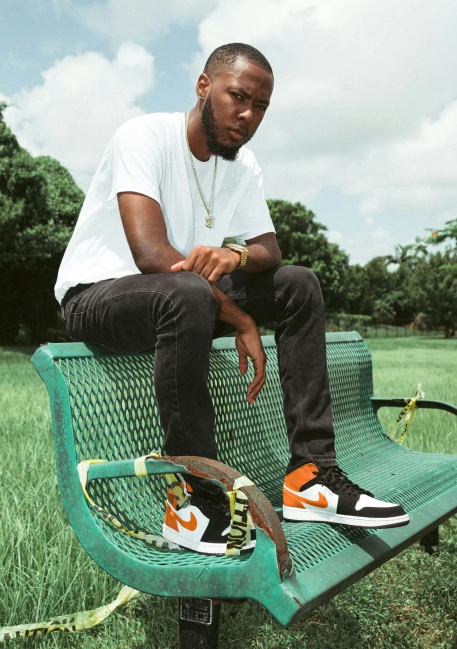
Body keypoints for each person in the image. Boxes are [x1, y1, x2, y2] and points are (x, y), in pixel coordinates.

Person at [55, 42, 409, 555]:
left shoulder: (242, 165)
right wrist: (242, 319)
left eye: (260, 106)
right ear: (204, 87)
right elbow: (152, 254)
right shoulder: (144, 136)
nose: (247, 116)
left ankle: (312, 476)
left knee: (298, 283)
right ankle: (192, 501)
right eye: (237, 97)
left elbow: (269, 248)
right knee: (188, 291)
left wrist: (235, 257)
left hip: (184, 295)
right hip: (99, 297)